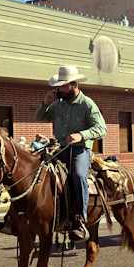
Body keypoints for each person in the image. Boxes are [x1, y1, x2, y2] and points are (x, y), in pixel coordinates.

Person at [36, 65, 107, 241]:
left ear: (73, 85)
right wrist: (45, 103)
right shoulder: (57, 104)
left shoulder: (87, 104)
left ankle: (80, 219)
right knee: (37, 168)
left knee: (78, 175)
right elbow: (40, 117)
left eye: (62, 86)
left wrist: (81, 135)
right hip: (60, 148)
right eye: (58, 87)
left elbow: (101, 128)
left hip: (80, 150)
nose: (58, 90)